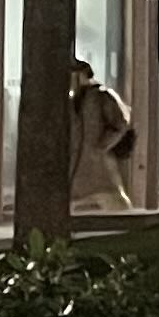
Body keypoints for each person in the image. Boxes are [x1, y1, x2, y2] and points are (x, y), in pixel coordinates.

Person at [67, 60, 137, 210]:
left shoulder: (101, 96)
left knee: (109, 195)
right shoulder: (72, 101)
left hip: (99, 163)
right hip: (77, 163)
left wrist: (103, 145)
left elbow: (121, 123)